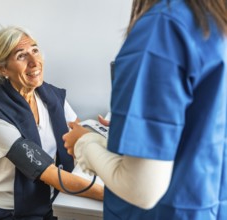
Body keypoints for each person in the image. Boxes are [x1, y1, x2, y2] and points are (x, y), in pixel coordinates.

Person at [63, 0, 227, 219]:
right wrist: (130, 129)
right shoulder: (214, 20)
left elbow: (142, 189)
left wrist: (85, 144)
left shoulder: (163, 29)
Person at [0, 26, 103, 220]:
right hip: (9, 212)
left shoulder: (50, 96)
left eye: (35, 50)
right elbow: (48, 172)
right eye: (21, 56)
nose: (35, 62)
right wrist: (112, 195)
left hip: (49, 200)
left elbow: (80, 139)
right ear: (2, 68)